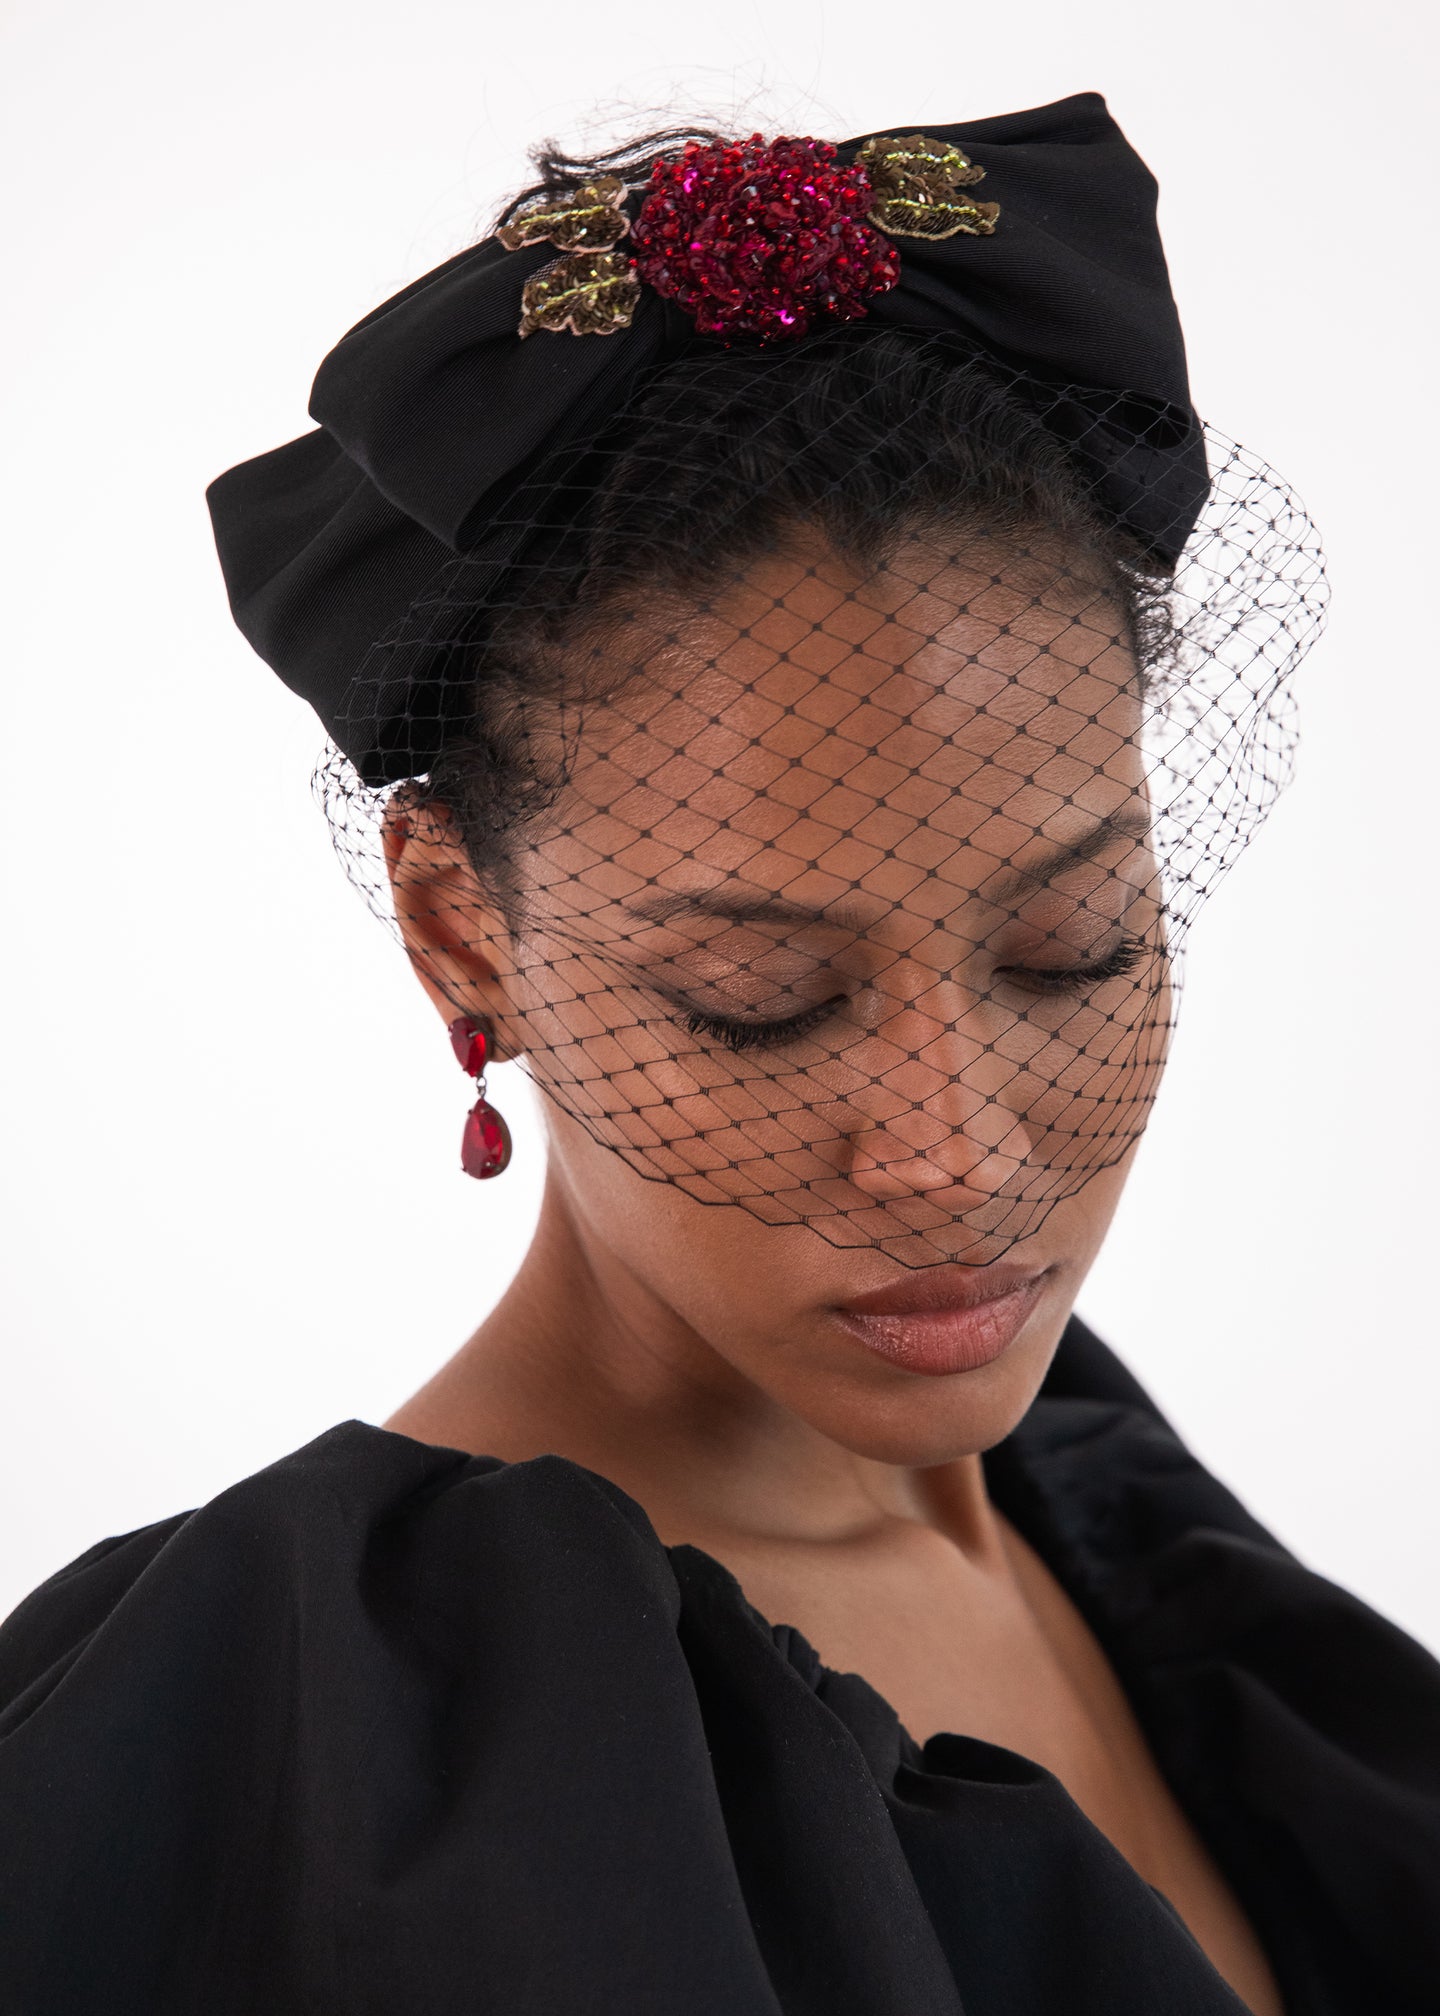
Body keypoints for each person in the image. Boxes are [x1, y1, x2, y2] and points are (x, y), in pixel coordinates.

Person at [1, 92, 1436, 2016]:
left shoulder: (1125, 1523)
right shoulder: (306, 1761)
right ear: (459, 926)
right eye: (765, 1001)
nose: (955, 1154)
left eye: (1070, 949)